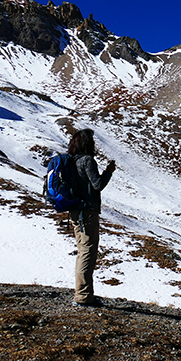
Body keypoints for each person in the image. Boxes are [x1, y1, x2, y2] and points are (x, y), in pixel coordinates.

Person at [67, 128, 115, 307]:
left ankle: (83, 293)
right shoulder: (87, 160)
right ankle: (83, 297)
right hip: (87, 211)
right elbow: (98, 184)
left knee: (82, 250)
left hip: (74, 211)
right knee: (88, 251)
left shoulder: (71, 161)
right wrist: (109, 171)